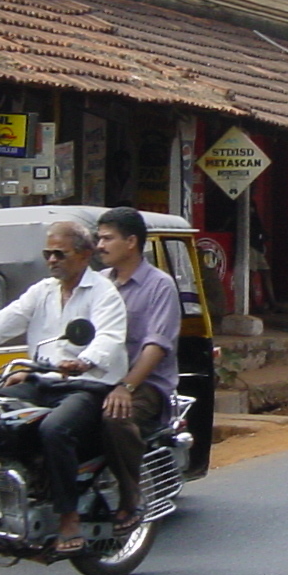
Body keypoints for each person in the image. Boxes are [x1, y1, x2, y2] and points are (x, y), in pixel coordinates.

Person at [0, 220, 127, 555]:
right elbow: (5, 321)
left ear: (83, 255)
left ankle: (68, 518)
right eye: (47, 254)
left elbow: (109, 337)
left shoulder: (104, 294)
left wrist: (84, 360)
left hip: (87, 386)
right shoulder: (43, 291)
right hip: (43, 381)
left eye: (59, 254)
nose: (51, 260)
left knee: (54, 429)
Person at [94, 206, 185, 531]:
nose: (100, 245)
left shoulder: (160, 286)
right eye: (98, 238)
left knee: (115, 418)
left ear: (131, 242)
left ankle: (130, 497)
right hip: (98, 378)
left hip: (145, 385)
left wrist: (127, 386)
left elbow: (156, 347)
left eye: (108, 238)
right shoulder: (99, 284)